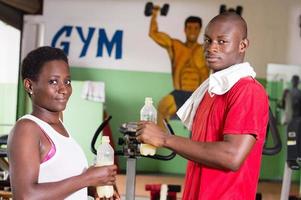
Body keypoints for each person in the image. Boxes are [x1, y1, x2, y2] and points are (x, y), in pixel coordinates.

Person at [138, 12, 269, 200]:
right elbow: (201, 150)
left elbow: (231, 157)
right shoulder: (210, 91)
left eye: (222, 41)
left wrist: (166, 139)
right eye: (207, 40)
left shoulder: (247, 91)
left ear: (243, 45)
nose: (211, 47)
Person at [7, 46, 119, 200]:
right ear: (29, 85)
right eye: (53, 81)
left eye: (67, 81)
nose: (64, 89)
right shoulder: (27, 129)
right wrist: (87, 178)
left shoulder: (59, 125)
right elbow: (25, 196)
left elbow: (58, 180)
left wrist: (91, 188)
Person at [149, 6, 209, 128]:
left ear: (200, 30)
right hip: (179, 93)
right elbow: (153, 34)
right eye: (190, 27)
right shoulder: (175, 46)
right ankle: (161, 142)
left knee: (205, 120)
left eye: (196, 28)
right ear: (185, 29)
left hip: (199, 95)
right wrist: (154, 13)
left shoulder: (206, 49)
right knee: (162, 107)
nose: (192, 31)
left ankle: (197, 145)